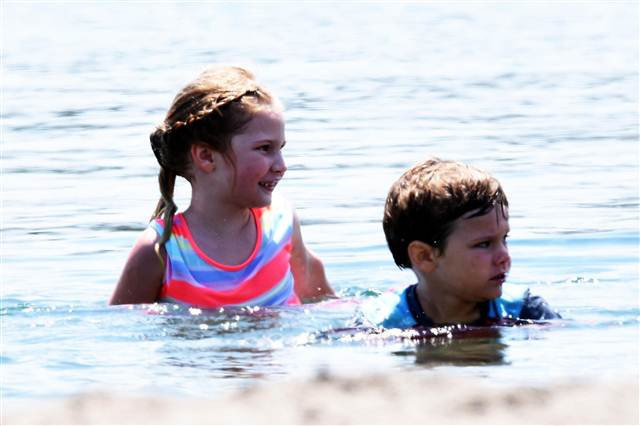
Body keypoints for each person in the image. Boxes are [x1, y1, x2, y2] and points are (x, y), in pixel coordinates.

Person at [110, 66, 334, 307]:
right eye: (264, 148)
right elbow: (121, 326)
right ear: (206, 156)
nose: (282, 166)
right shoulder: (161, 251)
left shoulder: (281, 221)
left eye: (280, 148)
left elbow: (321, 299)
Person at [365, 158, 560, 328]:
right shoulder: (383, 322)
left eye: (504, 239)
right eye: (484, 244)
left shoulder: (524, 310)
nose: (504, 257)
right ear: (424, 257)